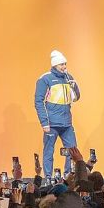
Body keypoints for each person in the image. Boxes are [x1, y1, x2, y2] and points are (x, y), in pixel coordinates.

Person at [34, 49, 80, 179]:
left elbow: (76, 97)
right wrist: (44, 122)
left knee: (72, 150)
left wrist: (74, 86)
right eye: (61, 64)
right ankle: (48, 177)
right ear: (55, 65)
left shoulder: (68, 77)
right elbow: (38, 101)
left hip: (66, 122)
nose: (64, 67)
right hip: (51, 123)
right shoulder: (45, 79)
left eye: (65, 64)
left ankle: (68, 176)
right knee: (49, 151)